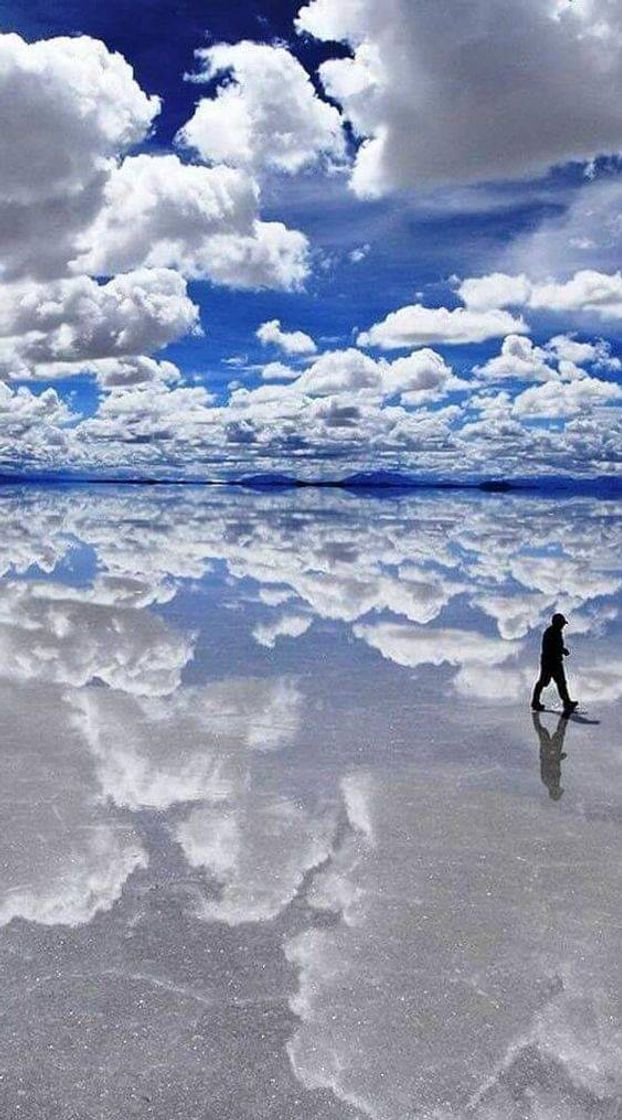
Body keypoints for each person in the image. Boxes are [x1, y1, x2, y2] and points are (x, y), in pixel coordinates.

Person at [531, 612, 578, 715]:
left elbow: (556, 647)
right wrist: (562, 650)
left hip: (555, 662)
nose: (563, 626)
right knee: (543, 682)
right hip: (549, 663)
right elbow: (552, 648)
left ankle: (567, 702)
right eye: (561, 623)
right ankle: (535, 702)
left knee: (561, 683)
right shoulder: (551, 633)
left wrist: (562, 650)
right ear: (557, 623)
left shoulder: (556, 632)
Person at [531, 710, 568, 800]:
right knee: (554, 733)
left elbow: (549, 765)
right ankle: (565, 714)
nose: (560, 789)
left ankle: (566, 714)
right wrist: (559, 757)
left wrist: (558, 757)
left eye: (559, 792)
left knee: (546, 733)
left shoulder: (550, 782)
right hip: (550, 753)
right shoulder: (551, 783)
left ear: (555, 791)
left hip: (549, 753)